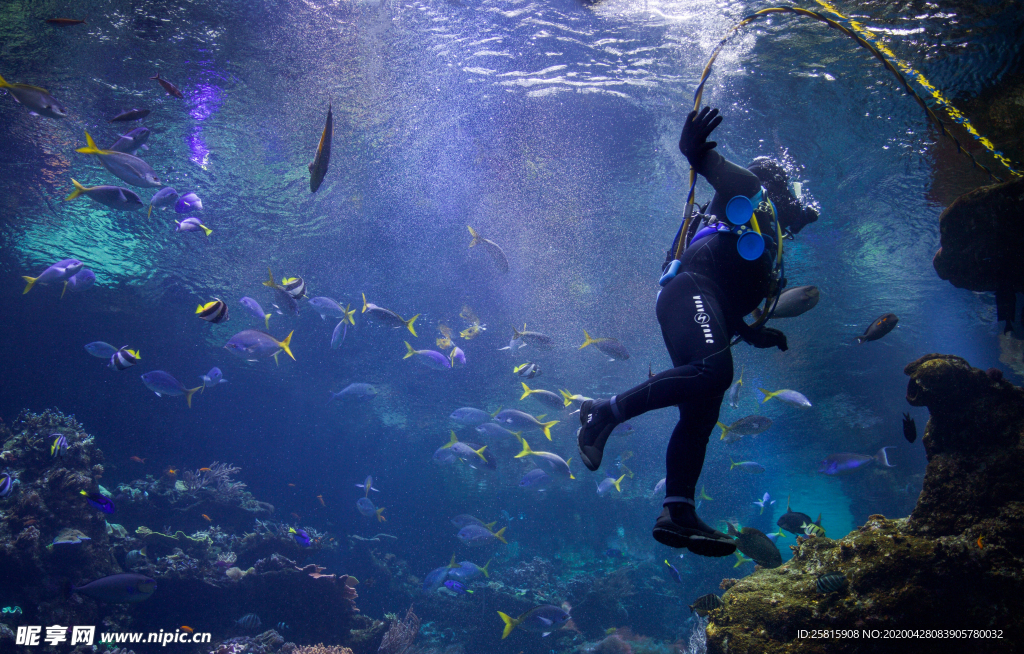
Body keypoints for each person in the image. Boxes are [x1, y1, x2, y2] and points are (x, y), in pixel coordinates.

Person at [577, 107, 801, 557]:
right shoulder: (748, 190)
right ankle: (603, 412)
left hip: (698, 300)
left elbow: (727, 294)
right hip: (689, 291)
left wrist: (753, 333)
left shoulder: (760, 234)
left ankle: (676, 511)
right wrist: (693, 147)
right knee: (714, 373)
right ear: (775, 187)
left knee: (700, 414)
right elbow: (702, 159)